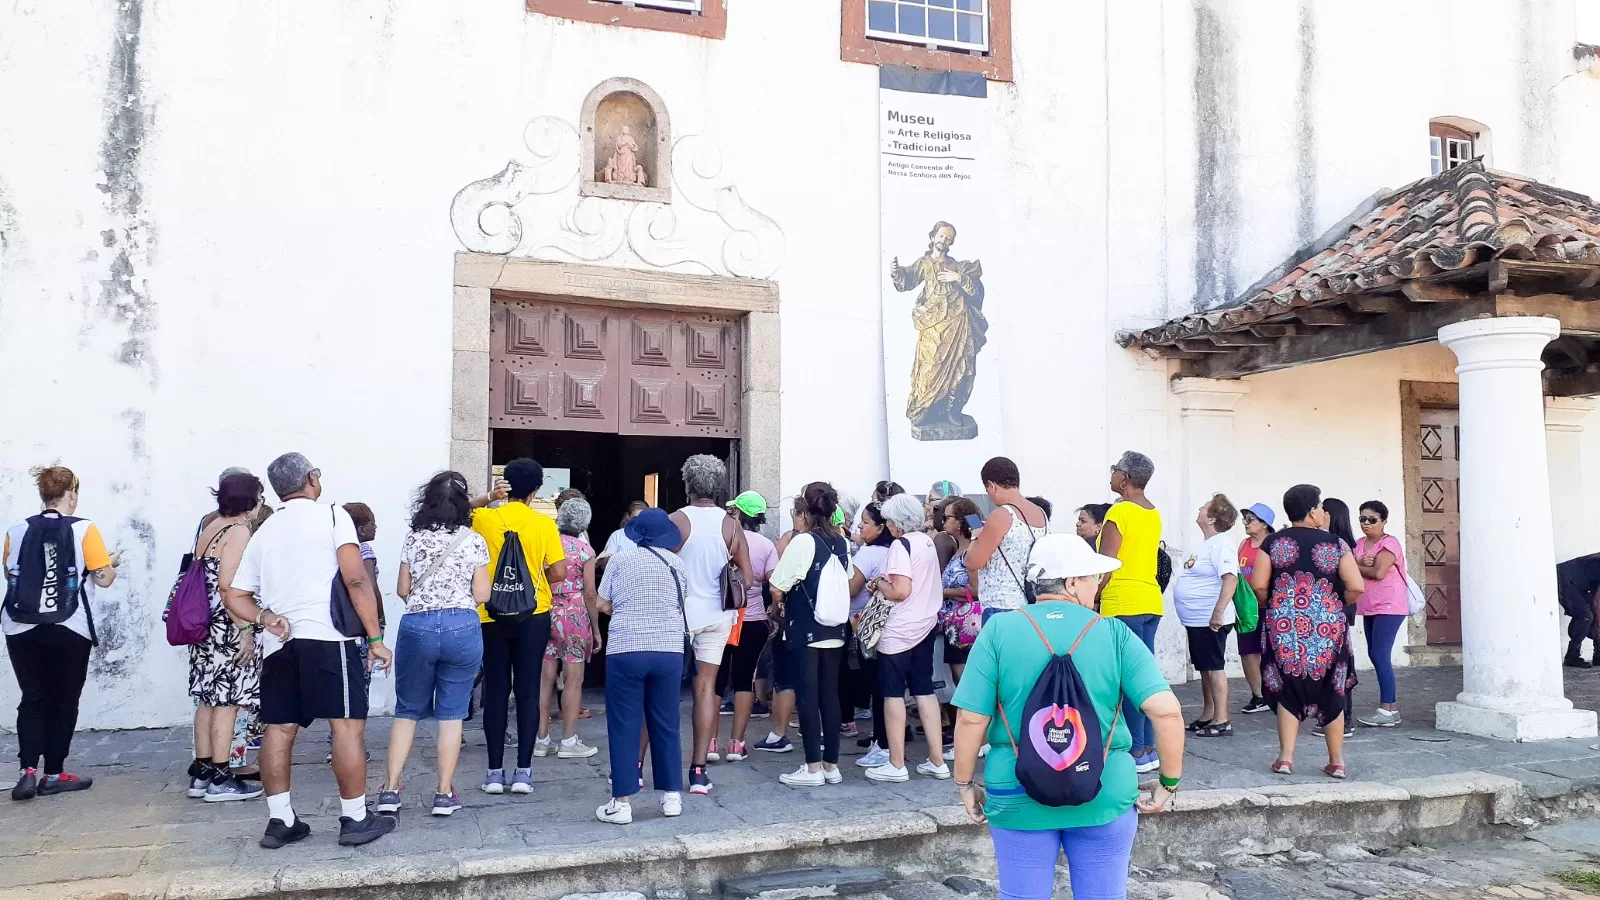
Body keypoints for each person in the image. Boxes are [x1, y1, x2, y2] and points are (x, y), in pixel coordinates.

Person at [950, 534, 1182, 900]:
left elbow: (970, 720)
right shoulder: (1114, 633)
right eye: (1093, 577)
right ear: (1073, 583)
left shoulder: (998, 630)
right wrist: (1168, 781)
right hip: (1104, 787)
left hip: (1016, 788)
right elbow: (1166, 711)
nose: (1098, 585)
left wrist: (965, 784)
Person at [223, 453, 394, 848]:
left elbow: (234, 594)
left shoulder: (265, 529)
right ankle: (354, 818)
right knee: (346, 725)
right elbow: (355, 579)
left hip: (280, 644)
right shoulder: (334, 516)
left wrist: (265, 617)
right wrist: (374, 639)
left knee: (279, 730)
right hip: (330, 638)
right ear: (312, 479)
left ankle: (281, 820)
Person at [377, 471, 489, 817]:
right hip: (462, 625)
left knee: (407, 712)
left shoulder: (415, 539)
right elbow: (482, 593)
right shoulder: (473, 541)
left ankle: (391, 790)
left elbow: (401, 589)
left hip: (418, 626)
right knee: (453, 713)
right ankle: (443, 793)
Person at [4, 466, 119, 801]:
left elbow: (11, 570)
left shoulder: (17, 528)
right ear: (72, 494)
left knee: (33, 697)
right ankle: (53, 773)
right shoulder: (85, 529)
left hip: (20, 624)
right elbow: (104, 578)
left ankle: (26, 771)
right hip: (69, 625)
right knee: (64, 700)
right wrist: (109, 563)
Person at [1249, 484, 1364, 780]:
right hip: (1327, 626)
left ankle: (1285, 759)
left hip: (1284, 626)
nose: (1324, 512)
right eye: (1321, 507)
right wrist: (1332, 604)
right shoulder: (1336, 544)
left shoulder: (1272, 543)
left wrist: (1277, 604)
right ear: (1313, 511)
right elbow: (1356, 586)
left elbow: (1259, 585)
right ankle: (1336, 761)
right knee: (1332, 687)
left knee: (1287, 688)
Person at [470, 457, 567, 796]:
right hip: (534, 613)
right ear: (536, 490)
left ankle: (494, 772)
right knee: (527, 690)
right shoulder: (543, 524)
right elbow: (559, 572)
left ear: (505, 486)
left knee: (495, 691)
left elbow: (456, 512)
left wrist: (487, 497)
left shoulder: (484, 518)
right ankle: (523, 772)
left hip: (490, 614)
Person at [594, 508, 689, 824]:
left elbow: (602, 603)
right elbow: (681, 603)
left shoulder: (620, 560)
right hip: (668, 650)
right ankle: (672, 795)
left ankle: (621, 803)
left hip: (626, 649)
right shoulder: (677, 564)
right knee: (666, 721)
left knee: (624, 724)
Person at [667, 455, 753, 796]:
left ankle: (641, 768)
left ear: (687, 484)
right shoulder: (732, 526)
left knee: (663, 691)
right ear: (718, 487)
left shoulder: (675, 520)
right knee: (706, 689)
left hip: (678, 615)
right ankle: (699, 771)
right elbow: (747, 576)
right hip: (718, 615)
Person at [183, 473, 265, 802]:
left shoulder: (211, 526)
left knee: (207, 699)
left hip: (203, 625)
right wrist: (245, 629)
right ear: (250, 501)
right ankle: (221, 776)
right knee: (228, 701)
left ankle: (201, 772)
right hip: (226, 625)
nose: (261, 503)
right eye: (259, 497)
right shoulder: (239, 531)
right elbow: (228, 586)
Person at [864, 494, 950, 782]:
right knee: (924, 690)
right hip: (926, 624)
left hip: (900, 628)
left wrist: (878, 583)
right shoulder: (926, 541)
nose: (887, 524)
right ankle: (937, 761)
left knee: (892, 694)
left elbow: (900, 590)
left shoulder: (901, 545)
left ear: (897, 522)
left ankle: (897, 762)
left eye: (889, 519)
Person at [769, 483, 850, 786]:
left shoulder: (803, 542)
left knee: (807, 696)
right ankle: (832, 765)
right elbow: (849, 576)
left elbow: (778, 584)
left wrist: (776, 609)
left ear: (803, 512)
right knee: (830, 695)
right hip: (835, 628)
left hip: (805, 628)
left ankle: (812, 767)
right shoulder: (841, 541)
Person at [1094, 450, 1164, 774]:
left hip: (1122, 601)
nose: (1111, 475)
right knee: (1143, 676)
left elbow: (1106, 564)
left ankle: (1135, 750)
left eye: (1114, 470)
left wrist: (1091, 597)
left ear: (1125, 479)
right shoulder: (1153, 512)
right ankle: (1149, 748)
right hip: (1150, 601)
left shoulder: (1118, 512)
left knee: (1125, 680)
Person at [535, 499, 600, 760]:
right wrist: (595, 629)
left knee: (544, 679)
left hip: (546, 612)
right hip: (574, 618)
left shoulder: (548, 544)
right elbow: (590, 593)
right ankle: (569, 740)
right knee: (574, 680)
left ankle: (542, 739)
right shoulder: (586, 551)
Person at [716, 492, 777, 762]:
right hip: (752, 621)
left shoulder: (722, 538)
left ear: (738, 514)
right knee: (744, 680)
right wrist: (773, 614)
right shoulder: (766, 545)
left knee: (714, 682)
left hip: (721, 618)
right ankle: (736, 744)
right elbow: (775, 585)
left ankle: (709, 743)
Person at [1173, 494, 1239, 738]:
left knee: (1214, 667)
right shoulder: (1208, 543)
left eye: (1204, 508)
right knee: (1204, 667)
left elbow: (1230, 578)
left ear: (1212, 518)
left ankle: (1222, 719)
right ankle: (1208, 713)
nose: (1199, 510)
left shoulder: (1222, 544)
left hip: (1209, 618)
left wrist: (1218, 612)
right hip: (1197, 619)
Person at [966, 458, 1048, 621]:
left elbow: (973, 562)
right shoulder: (1040, 512)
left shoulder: (1002, 514)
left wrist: (976, 534)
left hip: (1001, 606)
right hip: (1031, 604)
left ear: (992, 485)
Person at [848, 502, 895, 768]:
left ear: (880, 527)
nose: (860, 527)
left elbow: (852, 589)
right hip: (891, 624)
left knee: (875, 683)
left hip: (867, 625)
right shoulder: (895, 550)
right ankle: (885, 738)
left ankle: (881, 741)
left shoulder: (868, 554)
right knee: (885, 684)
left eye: (865, 522)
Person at [1353, 501, 1408, 727]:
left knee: (1380, 654)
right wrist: (1357, 563)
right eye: (1362, 519)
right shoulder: (1358, 544)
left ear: (1384, 521)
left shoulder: (1389, 543)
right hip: (1369, 606)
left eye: (1372, 519)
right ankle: (1390, 709)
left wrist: (1356, 566)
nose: (1367, 523)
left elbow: (1378, 572)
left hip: (1389, 606)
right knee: (1375, 653)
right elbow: (1344, 565)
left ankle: (1387, 708)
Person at [1318, 498, 1359, 739]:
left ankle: (1345, 717)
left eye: (1323, 511)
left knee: (1340, 664)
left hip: (1338, 609)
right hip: (1334, 609)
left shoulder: (1340, 545)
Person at [1236, 504, 1276, 715]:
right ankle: (1258, 694)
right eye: (1245, 519)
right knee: (1248, 651)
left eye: (1250, 519)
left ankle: (1276, 692)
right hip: (1246, 607)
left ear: (1264, 523)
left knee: (1272, 651)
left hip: (1268, 606)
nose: (1246, 523)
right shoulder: (1244, 544)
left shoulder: (1273, 544)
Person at [939, 496, 981, 682]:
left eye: (948, 517)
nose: (943, 521)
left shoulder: (972, 550)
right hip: (953, 625)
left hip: (964, 625)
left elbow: (976, 590)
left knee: (965, 682)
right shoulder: (959, 548)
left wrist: (942, 593)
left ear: (960, 521)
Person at [1557, 551, 1600, 669]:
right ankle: (1572, 655)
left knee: (1590, 616)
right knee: (1585, 616)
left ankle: (1598, 654)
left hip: (1577, 584)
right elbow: (1597, 602)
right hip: (1562, 579)